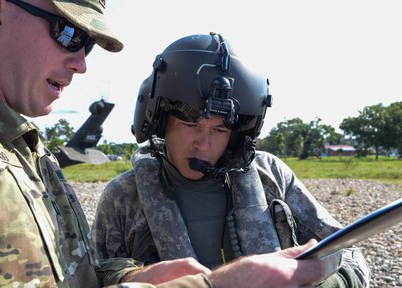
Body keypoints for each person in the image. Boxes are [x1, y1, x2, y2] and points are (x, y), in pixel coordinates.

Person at [92, 32, 371, 287]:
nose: (204, 144)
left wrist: (329, 283)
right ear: (160, 121)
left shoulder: (270, 176)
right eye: (191, 125)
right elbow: (92, 275)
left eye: (219, 130)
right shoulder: (123, 197)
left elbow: (350, 253)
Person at [0, 0, 211, 287]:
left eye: (89, 44)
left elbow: (58, 272)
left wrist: (128, 276)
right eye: (69, 34)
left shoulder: (24, 146)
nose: (82, 64)